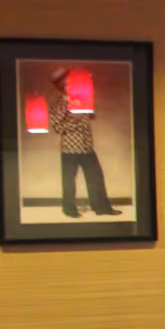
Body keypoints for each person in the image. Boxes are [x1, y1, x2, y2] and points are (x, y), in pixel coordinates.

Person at [48, 67, 116, 218]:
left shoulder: (82, 99)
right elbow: (56, 125)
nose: (67, 85)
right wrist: (74, 124)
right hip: (70, 149)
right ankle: (69, 209)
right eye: (64, 84)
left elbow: (90, 117)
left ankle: (102, 208)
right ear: (61, 86)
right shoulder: (62, 102)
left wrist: (87, 104)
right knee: (69, 181)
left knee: (96, 177)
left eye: (69, 82)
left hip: (86, 146)